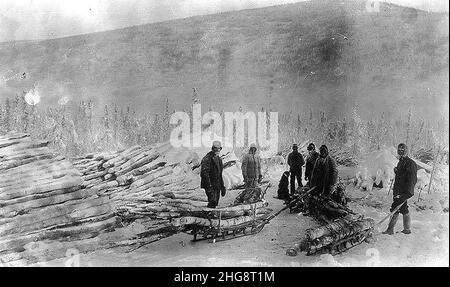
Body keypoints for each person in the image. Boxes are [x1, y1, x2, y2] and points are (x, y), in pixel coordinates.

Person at [383, 143, 417, 235]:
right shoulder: (401, 161)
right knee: (403, 209)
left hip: (403, 192)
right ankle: (407, 229)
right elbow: (402, 176)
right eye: (399, 150)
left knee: (394, 209)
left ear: (406, 150)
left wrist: (407, 194)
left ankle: (390, 230)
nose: (401, 151)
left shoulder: (410, 163)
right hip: (398, 191)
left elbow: (412, 180)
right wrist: (397, 171)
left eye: (403, 150)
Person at [200, 141, 226, 208]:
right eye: (215, 148)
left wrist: (222, 186)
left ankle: (213, 216)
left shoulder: (219, 159)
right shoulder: (207, 158)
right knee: (212, 203)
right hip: (210, 185)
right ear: (212, 148)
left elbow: (220, 174)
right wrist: (209, 188)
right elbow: (204, 174)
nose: (217, 150)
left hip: (217, 186)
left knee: (215, 204)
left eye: (219, 149)